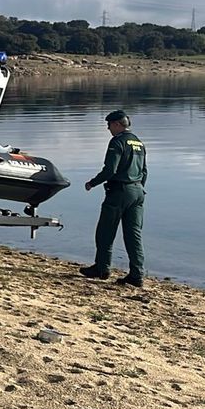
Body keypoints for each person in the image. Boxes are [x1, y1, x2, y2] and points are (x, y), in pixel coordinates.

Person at [80, 109, 148, 287]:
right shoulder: (139, 143)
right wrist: (139, 188)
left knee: (105, 231)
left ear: (117, 124)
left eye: (109, 125)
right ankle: (137, 274)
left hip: (119, 192)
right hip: (138, 192)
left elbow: (111, 169)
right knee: (134, 235)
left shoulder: (117, 142)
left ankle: (102, 268)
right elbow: (144, 171)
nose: (108, 128)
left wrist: (92, 183)